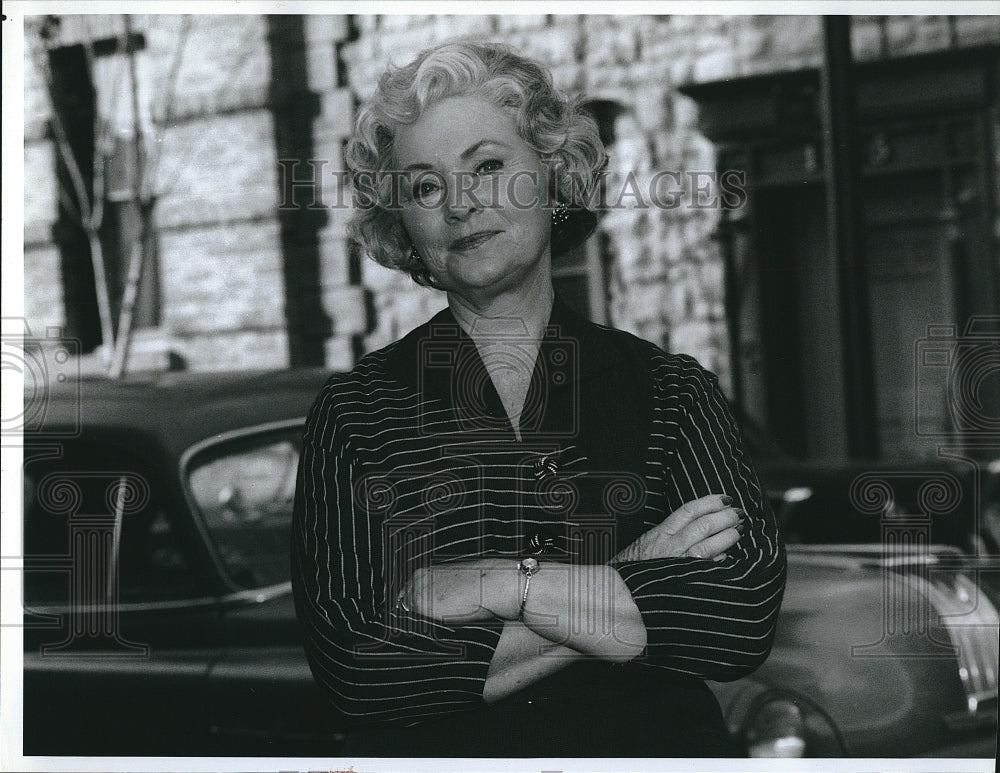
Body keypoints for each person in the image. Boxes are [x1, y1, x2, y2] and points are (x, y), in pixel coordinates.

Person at [291, 41, 786, 758]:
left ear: (553, 179)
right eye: (426, 187)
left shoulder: (674, 391)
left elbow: (736, 617)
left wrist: (503, 584)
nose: (461, 204)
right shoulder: (358, 414)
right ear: (403, 224)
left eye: (488, 166)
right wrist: (633, 576)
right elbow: (361, 670)